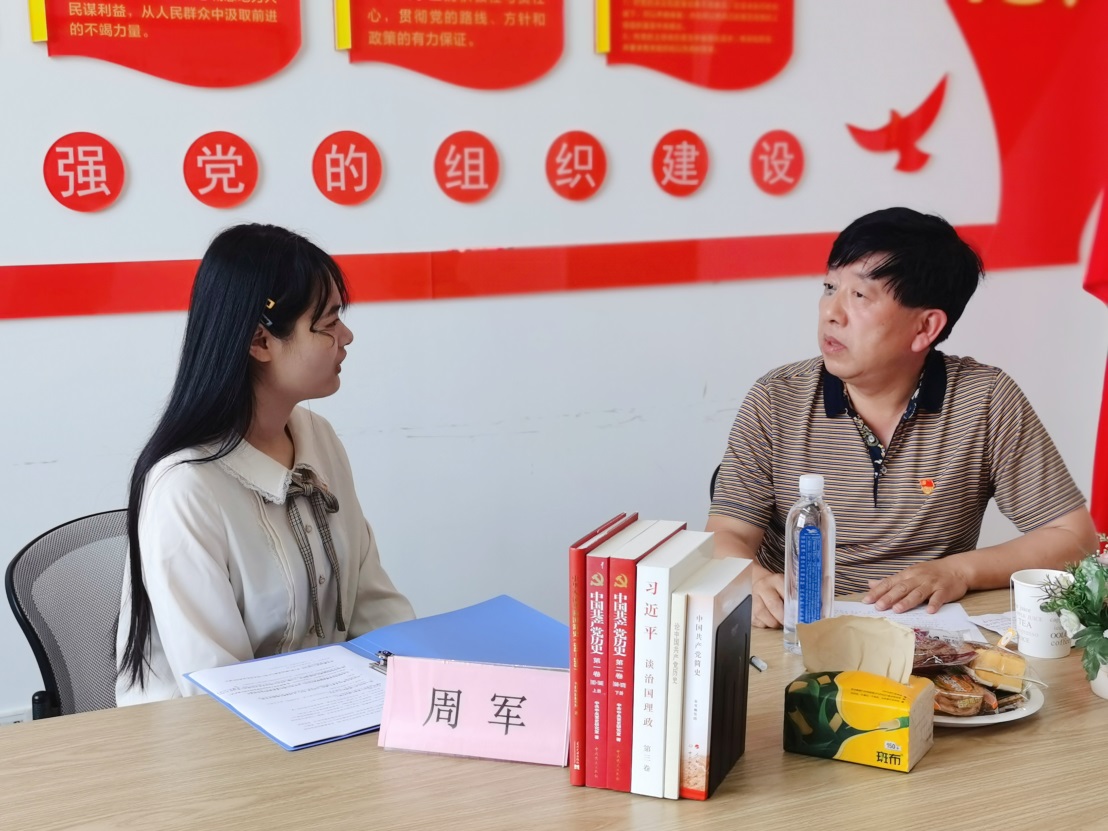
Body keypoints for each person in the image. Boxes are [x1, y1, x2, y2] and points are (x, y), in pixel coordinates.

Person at [707, 207, 1098, 629]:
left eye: (859, 296)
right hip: (795, 629)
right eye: (830, 286)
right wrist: (755, 579)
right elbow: (725, 535)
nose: (831, 312)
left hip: (926, 635)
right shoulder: (777, 398)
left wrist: (959, 571)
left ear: (925, 327)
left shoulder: (984, 400)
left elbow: (1074, 539)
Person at [116, 224, 414, 704]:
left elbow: (373, 606)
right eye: (328, 322)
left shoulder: (319, 439)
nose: (347, 336)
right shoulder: (186, 487)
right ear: (260, 341)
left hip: (328, 714)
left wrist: (422, 684)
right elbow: (219, 691)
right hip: (209, 738)